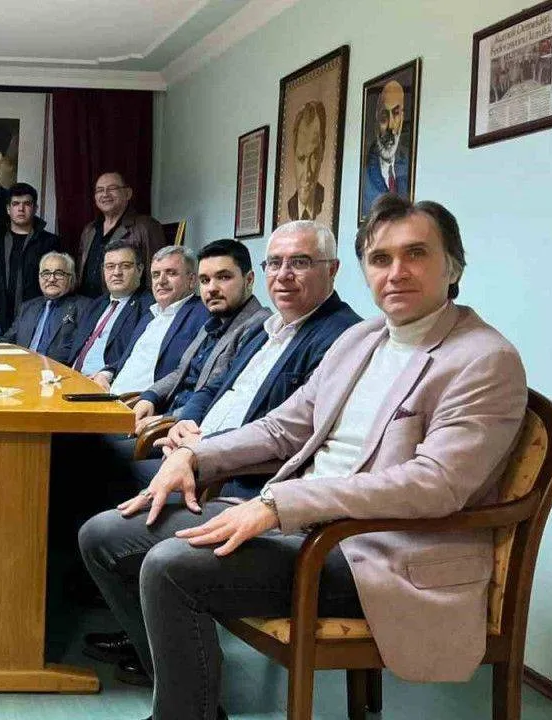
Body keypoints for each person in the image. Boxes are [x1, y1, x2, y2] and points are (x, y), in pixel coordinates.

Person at [79, 195, 525, 720]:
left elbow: (434, 485)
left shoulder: (483, 359)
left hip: (375, 553)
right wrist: (195, 457)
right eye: (380, 259)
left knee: (170, 566)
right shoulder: (362, 339)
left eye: (416, 254)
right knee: (103, 535)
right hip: (302, 524)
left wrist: (278, 504)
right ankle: (190, 700)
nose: (396, 272)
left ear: (454, 266)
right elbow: (284, 426)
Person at [79, 220, 361, 677]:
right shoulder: (267, 328)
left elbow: (294, 436)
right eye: (276, 263)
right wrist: (187, 425)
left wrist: (204, 450)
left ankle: (160, 649)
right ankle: (148, 636)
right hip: (200, 449)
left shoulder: (341, 337)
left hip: (240, 480)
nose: (284, 275)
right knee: (90, 464)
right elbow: (215, 388)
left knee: (100, 480)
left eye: (300, 263)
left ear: (333, 270)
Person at [130, 239, 270, 419]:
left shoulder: (260, 326)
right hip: (166, 412)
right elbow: (181, 372)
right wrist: (150, 396)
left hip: (189, 425)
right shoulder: (212, 322)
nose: (211, 288)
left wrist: (163, 420)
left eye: (223, 277)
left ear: (249, 280)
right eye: (205, 280)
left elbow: (221, 397)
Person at [94, 246, 210, 395]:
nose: (161, 281)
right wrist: (105, 373)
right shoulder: (150, 315)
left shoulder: (203, 313)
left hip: (144, 403)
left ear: (192, 280)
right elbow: (131, 358)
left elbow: (191, 372)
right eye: (156, 275)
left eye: (171, 273)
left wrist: (150, 399)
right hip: (110, 395)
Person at [0, 182, 59, 329]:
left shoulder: (50, 243)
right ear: (8, 209)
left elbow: (57, 283)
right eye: (16, 203)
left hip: (37, 320)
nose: (21, 208)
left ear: (35, 208)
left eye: (27, 204)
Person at [68, 240, 153, 375]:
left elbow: (137, 357)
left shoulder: (149, 307)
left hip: (105, 381)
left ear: (139, 270)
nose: (117, 272)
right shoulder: (96, 305)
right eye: (110, 266)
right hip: (72, 376)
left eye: (125, 266)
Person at [77, 172, 165, 298]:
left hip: (127, 303)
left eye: (112, 188)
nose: (105, 194)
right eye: (100, 190)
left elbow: (156, 273)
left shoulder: (146, 226)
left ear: (128, 193)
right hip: (88, 303)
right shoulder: (89, 230)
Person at [2, 251, 86, 364]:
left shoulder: (84, 308)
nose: (51, 279)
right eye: (46, 273)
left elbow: (76, 351)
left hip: (55, 370)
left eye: (59, 273)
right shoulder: (27, 307)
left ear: (71, 278)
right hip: (21, 367)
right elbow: (8, 341)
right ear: (39, 277)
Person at [360, 80, 411, 217]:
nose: (391, 126)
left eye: (396, 114)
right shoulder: (365, 177)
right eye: (384, 117)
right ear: (376, 120)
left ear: (402, 118)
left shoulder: (407, 166)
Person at [287, 100, 327, 222]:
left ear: (322, 153)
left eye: (314, 157)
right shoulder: (290, 206)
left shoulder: (326, 202)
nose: (307, 173)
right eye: (301, 158)